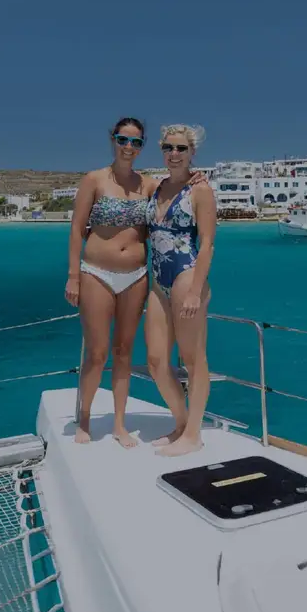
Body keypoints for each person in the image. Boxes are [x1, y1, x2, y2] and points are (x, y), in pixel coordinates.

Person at [64, 117, 156, 447]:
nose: (129, 147)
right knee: (97, 352)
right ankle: (85, 420)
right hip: (96, 273)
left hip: (136, 276)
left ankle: (119, 424)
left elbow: (179, 195)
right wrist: (73, 275)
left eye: (136, 142)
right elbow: (77, 229)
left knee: (123, 351)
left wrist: (197, 177)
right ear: (112, 140)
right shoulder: (94, 180)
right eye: (123, 140)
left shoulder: (148, 185)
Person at [144, 124, 217, 457]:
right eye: (169, 148)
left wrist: (194, 291)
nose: (174, 154)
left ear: (192, 152)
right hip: (157, 280)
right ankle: (180, 423)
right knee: (156, 360)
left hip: (187, 276)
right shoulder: (156, 187)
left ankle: (194, 434)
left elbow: (207, 245)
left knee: (193, 359)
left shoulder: (200, 190)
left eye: (181, 149)